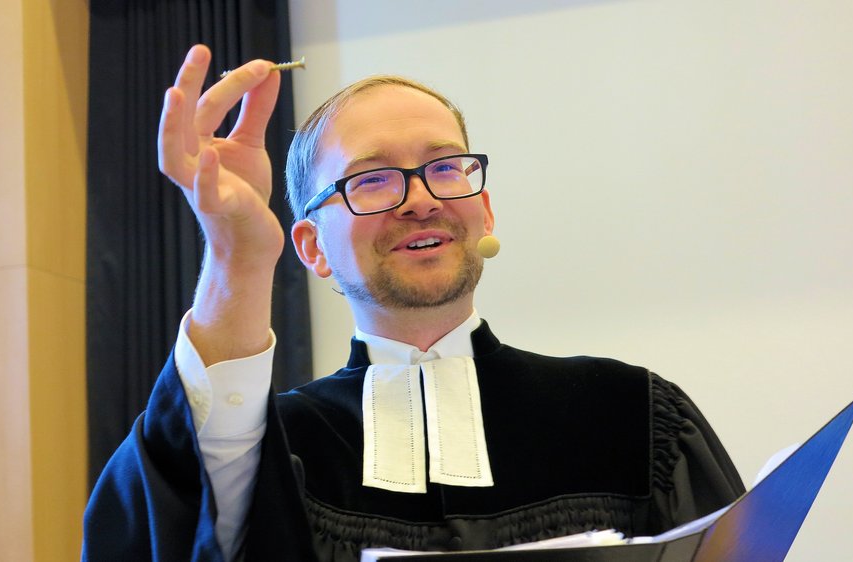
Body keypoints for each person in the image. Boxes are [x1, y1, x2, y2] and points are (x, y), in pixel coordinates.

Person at [82, 45, 745, 562]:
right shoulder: (272, 449)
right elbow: (164, 524)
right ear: (311, 247)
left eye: (446, 167)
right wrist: (237, 255)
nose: (420, 197)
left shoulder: (631, 418)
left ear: (482, 209)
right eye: (371, 179)